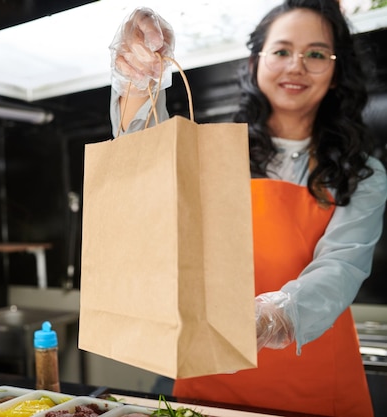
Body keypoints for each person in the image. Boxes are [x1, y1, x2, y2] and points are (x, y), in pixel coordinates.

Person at [109, 1, 387, 416]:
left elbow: (342, 266)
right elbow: (143, 163)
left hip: (313, 378)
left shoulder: (363, 172)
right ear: (257, 60)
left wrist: (274, 315)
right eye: (281, 51)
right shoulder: (215, 152)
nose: (296, 65)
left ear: (336, 69)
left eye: (315, 54)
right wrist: (138, 76)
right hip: (211, 371)